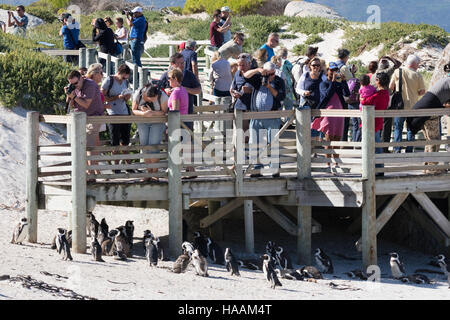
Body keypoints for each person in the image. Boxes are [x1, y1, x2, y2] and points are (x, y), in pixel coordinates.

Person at [244, 62, 286, 177]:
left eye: (272, 74)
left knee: (272, 142)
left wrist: (269, 86)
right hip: (256, 115)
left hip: (272, 116)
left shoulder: (278, 81)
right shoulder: (258, 78)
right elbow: (245, 75)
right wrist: (257, 70)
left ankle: (275, 167)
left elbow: (281, 96)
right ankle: (257, 168)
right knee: (254, 142)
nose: (269, 76)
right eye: (267, 74)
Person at [407, 66, 450, 173]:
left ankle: (427, 167)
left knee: (430, 141)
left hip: (422, 112)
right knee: (435, 141)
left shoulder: (445, 81)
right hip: (429, 112)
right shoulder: (449, 82)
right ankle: (432, 169)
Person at [65, 70, 105, 179]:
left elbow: (86, 104)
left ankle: (91, 174)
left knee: (89, 144)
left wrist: (74, 97)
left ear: (81, 78)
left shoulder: (90, 85)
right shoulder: (75, 87)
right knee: (85, 145)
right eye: (71, 84)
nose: (74, 86)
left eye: (75, 83)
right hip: (82, 117)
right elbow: (71, 105)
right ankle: (92, 172)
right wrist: (69, 95)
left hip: (94, 116)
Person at [312, 62, 350, 166]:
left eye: (335, 70)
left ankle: (336, 163)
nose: (333, 72)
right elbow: (326, 95)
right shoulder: (323, 83)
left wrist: (343, 81)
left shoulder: (337, 83)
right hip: (328, 113)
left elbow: (347, 93)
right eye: (331, 70)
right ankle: (328, 163)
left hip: (339, 114)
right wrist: (333, 81)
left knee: (337, 138)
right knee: (328, 138)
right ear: (327, 70)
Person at [389, 54, 426, 153]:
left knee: (398, 128)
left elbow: (391, 86)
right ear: (414, 64)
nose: (418, 65)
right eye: (418, 64)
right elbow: (422, 91)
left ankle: (397, 150)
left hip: (399, 106)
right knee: (411, 129)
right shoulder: (417, 75)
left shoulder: (398, 71)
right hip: (413, 106)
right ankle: (409, 150)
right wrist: (415, 93)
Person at [132, 84, 168, 181]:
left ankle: (155, 172)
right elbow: (134, 110)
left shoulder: (163, 96)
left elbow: (164, 112)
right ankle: (148, 172)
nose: (151, 101)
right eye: (149, 99)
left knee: (154, 145)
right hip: (142, 121)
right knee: (144, 145)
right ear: (144, 94)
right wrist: (143, 113)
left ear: (157, 95)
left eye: (153, 99)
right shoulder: (138, 94)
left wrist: (152, 113)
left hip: (157, 122)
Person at [101, 64, 133, 173]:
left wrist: (126, 97)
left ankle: (128, 166)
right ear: (118, 73)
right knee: (114, 141)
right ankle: (116, 167)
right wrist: (116, 97)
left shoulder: (125, 82)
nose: (124, 79)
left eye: (126, 78)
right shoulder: (109, 80)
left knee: (125, 141)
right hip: (112, 112)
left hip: (124, 112)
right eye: (123, 77)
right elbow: (101, 97)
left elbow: (125, 98)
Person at [158, 53, 201, 130]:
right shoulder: (166, 75)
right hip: (168, 113)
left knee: (187, 137)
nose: (182, 65)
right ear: (172, 64)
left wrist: (184, 89)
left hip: (187, 113)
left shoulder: (189, 74)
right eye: (179, 63)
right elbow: (157, 90)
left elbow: (198, 90)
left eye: (183, 62)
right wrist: (165, 91)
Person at [360, 72, 391, 175]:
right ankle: (378, 168)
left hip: (373, 122)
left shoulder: (379, 94)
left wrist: (361, 98)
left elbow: (365, 101)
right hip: (378, 121)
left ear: (378, 81)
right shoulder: (386, 93)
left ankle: (377, 169)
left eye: (376, 80)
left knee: (374, 147)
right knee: (376, 146)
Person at [296, 57, 327, 140]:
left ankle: (315, 149)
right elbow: (298, 89)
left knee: (316, 127)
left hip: (318, 105)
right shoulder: (305, 75)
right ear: (310, 66)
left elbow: (327, 89)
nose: (316, 67)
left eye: (318, 65)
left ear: (320, 67)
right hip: (306, 104)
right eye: (314, 65)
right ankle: (307, 148)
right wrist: (304, 92)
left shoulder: (323, 77)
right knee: (306, 126)